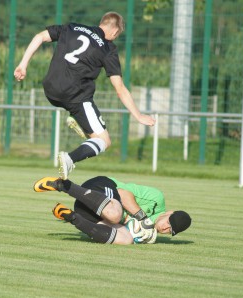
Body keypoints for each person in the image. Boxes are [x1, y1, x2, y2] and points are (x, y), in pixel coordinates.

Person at [14, 12, 155, 180]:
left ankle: (78, 120)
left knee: (89, 128)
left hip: (51, 90)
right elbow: (120, 88)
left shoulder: (72, 27)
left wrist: (23, 64)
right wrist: (138, 116)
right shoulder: (108, 48)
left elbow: (39, 37)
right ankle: (69, 158)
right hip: (75, 97)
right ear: (115, 31)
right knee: (104, 141)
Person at [33, 176, 192, 245]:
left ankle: (72, 217)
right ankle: (62, 185)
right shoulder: (157, 199)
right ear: (168, 212)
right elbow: (122, 193)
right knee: (115, 215)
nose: (165, 228)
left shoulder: (150, 234)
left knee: (125, 240)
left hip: (88, 212)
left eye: (170, 230)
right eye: (169, 222)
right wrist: (142, 218)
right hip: (101, 187)